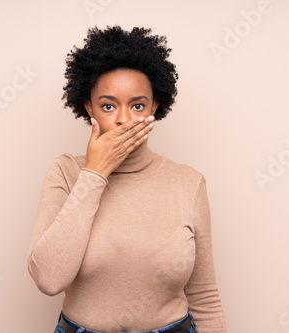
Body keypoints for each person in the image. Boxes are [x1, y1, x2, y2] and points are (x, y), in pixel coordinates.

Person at [27, 25, 227, 333]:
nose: (123, 118)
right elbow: (49, 279)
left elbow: (205, 297)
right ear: (88, 107)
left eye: (137, 105)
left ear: (155, 107)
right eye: (108, 105)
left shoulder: (189, 183)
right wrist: (94, 173)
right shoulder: (66, 174)